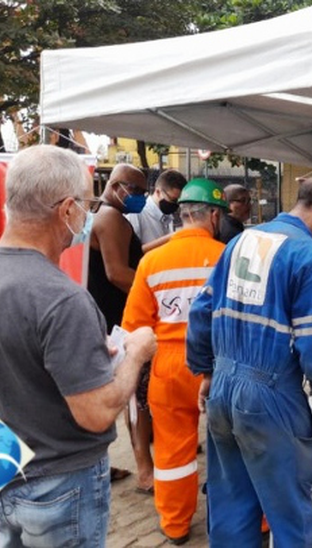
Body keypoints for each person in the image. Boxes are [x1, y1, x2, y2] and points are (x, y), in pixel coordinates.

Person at [0, 145, 156, 547]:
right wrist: (135, 353)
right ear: (67, 209)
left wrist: (81, 354)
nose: (89, 215)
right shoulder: (62, 298)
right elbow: (96, 413)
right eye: (87, 204)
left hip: (9, 468)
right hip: (58, 484)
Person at [186, 174, 312, 547]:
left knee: (231, 504)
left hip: (223, 391)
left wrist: (208, 372)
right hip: (271, 396)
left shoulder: (242, 240)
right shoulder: (310, 256)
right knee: (294, 511)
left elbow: (201, 311)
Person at [122, 179, 227, 544]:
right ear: (213, 215)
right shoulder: (227, 257)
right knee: (233, 446)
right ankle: (246, 524)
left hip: (167, 367)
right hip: (218, 366)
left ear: (182, 215)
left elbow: (133, 328)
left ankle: (176, 524)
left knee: (172, 451)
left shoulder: (152, 261)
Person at [124, 168, 187, 495]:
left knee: (153, 396)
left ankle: (161, 452)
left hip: (161, 317)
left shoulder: (171, 219)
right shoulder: (133, 219)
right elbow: (131, 263)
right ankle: (143, 466)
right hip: (134, 317)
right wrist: (171, 242)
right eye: (170, 201)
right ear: (158, 192)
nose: (173, 208)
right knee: (135, 397)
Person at [88, 162, 148, 483]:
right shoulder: (112, 218)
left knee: (124, 398)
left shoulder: (108, 216)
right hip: (114, 322)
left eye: (144, 190)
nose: (140, 196)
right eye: (135, 190)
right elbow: (117, 273)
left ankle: (104, 465)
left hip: (106, 317)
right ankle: (145, 470)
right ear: (115, 186)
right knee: (132, 398)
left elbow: (129, 258)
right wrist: (153, 288)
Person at [127, 169, 187, 253]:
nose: (176, 205)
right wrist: (171, 237)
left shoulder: (167, 215)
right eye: (173, 200)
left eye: (179, 201)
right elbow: (132, 252)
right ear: (158, 192)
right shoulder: (137, 213)